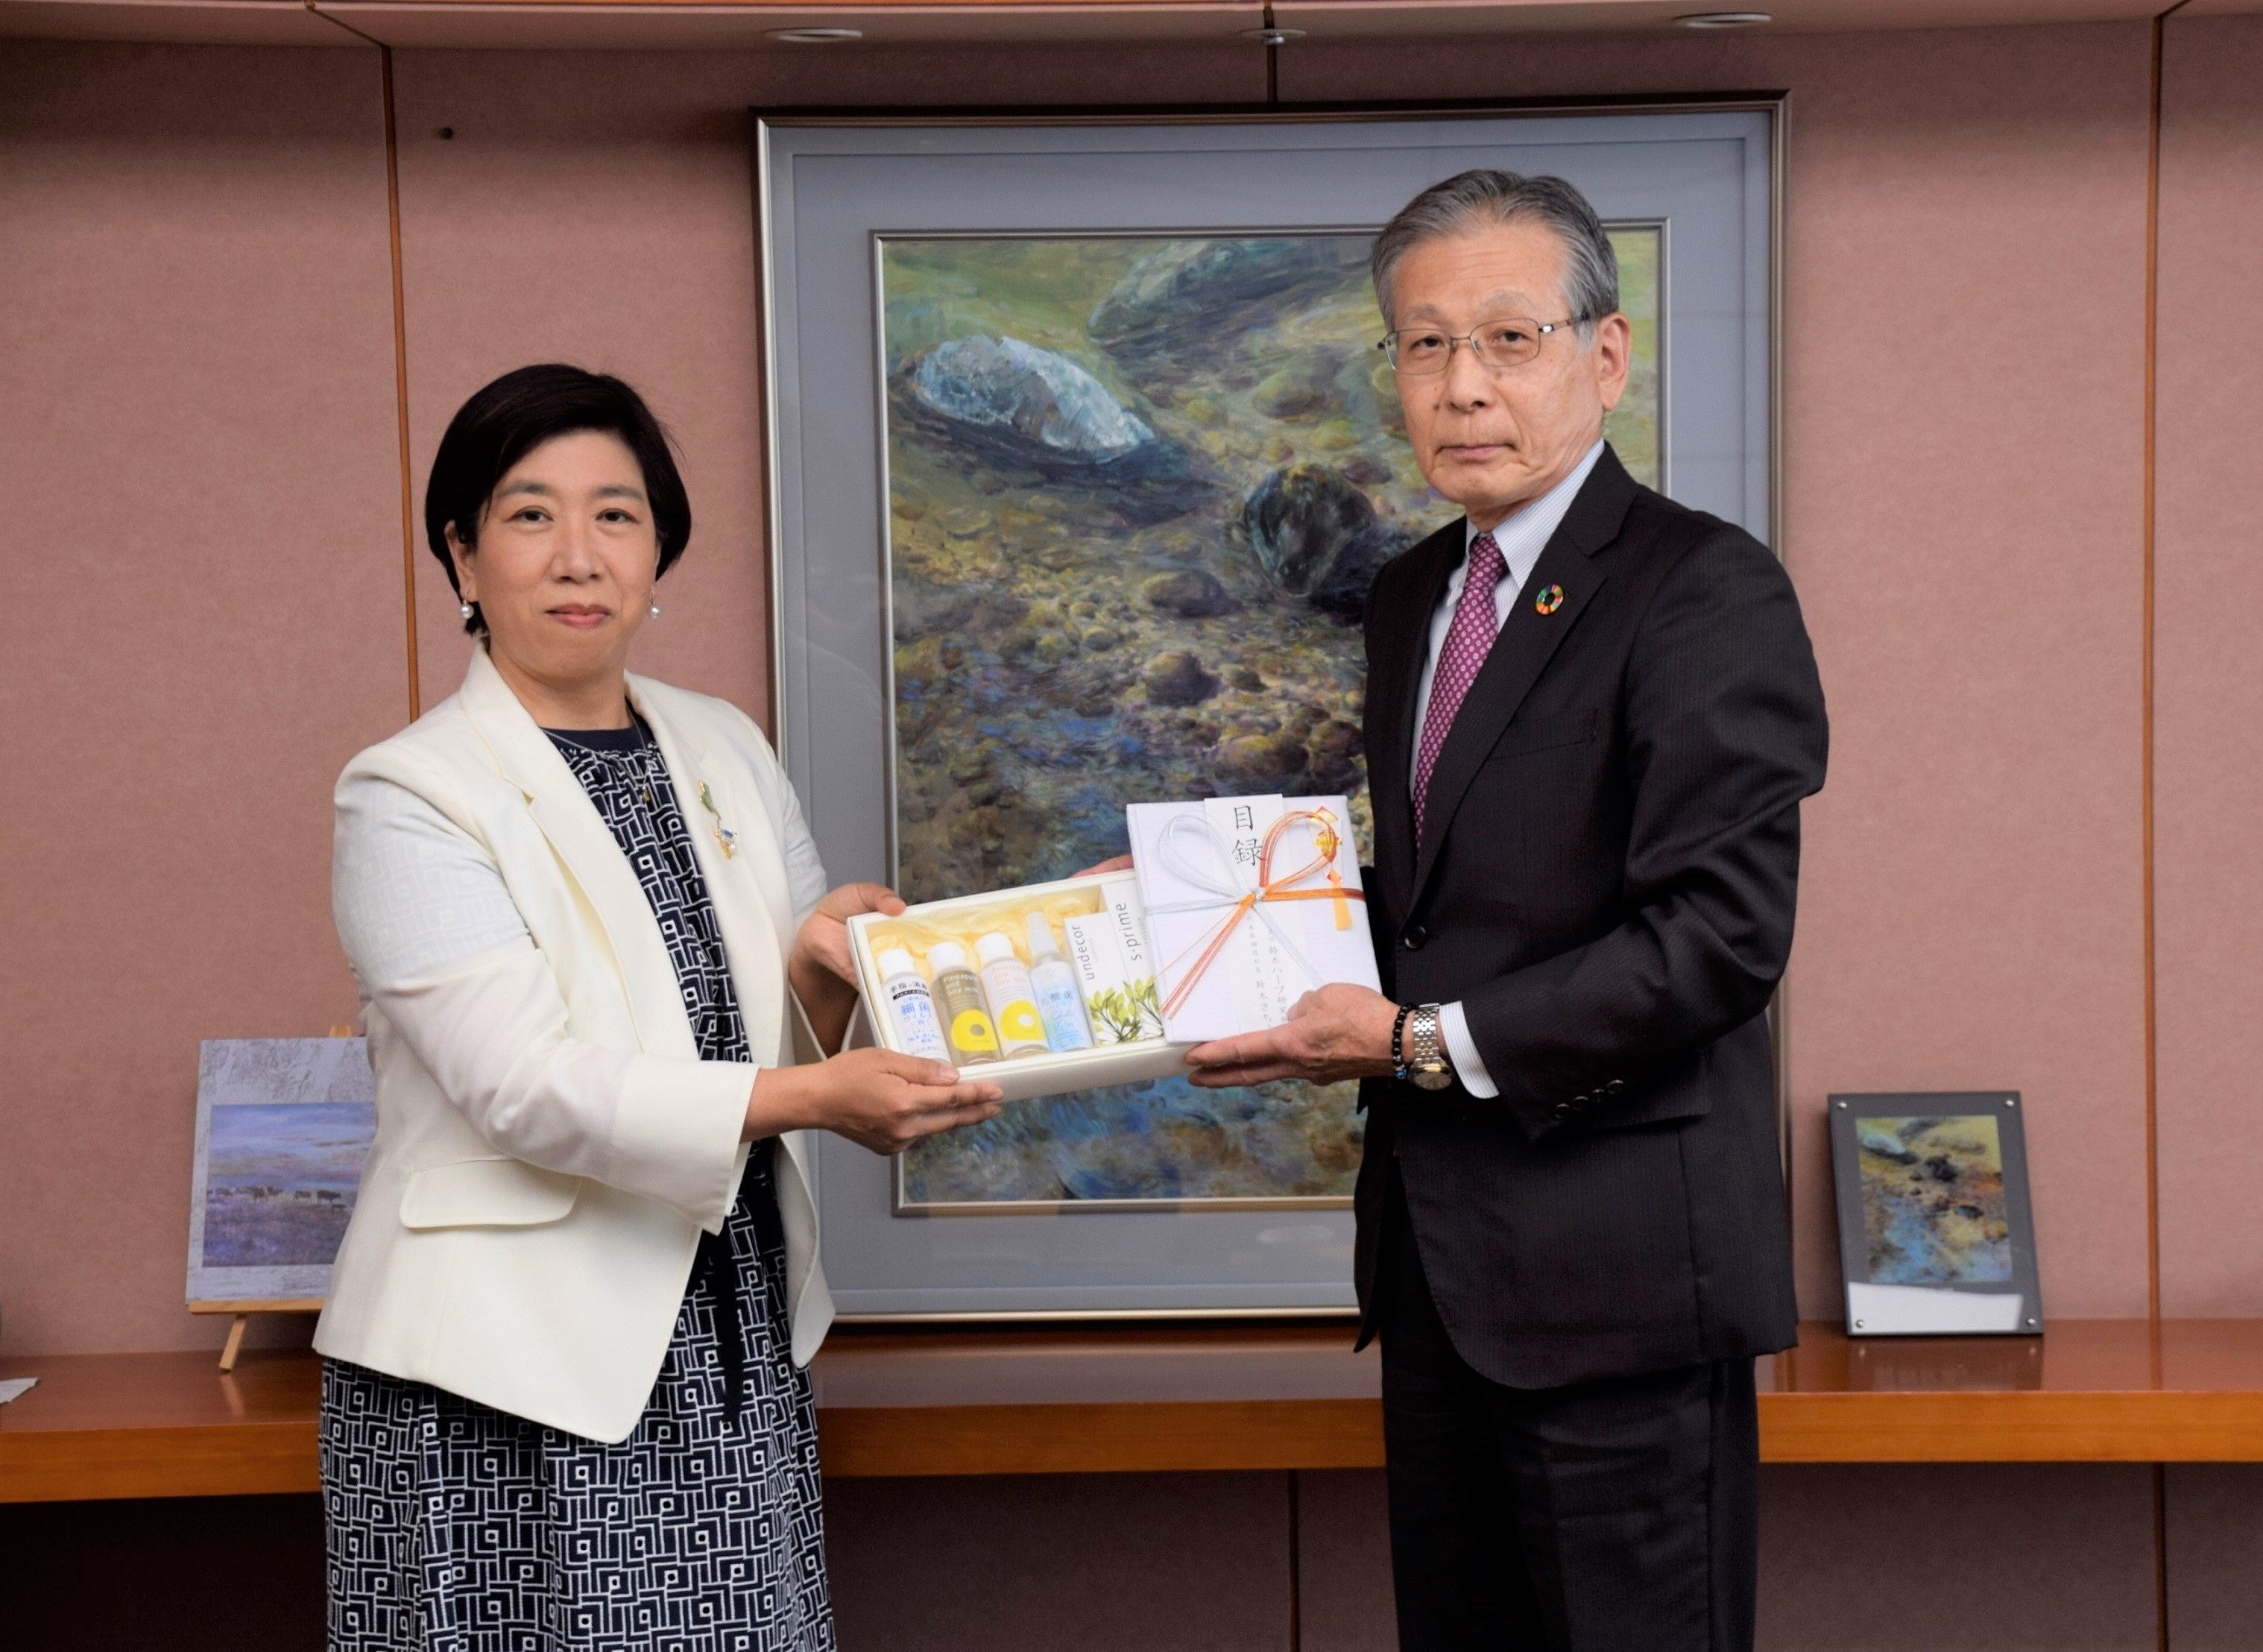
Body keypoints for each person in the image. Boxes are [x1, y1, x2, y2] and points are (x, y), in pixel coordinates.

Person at [1182, 172, 1829, 1650]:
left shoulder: (1704, 590)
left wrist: (1415, 1041)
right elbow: (1440, 898)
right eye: (1423, 347)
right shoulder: (1416, 592)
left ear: (1605, 359)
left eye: (1509, 339)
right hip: (1437, 1272)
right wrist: (1188, 913)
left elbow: (1721, 938)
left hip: (1620, 1286)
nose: (1462, 386)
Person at [315, 364, 1003, 1651]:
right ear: (460, 556)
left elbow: (766, 1036)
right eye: (529, 516)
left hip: (729, 1331)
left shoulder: (722, 740)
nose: (579, 554)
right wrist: (814, 1097)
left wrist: (827, 964)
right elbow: (525, 1086)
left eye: (617, 515)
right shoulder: (407, 793)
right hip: (501, 1373)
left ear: (658, 552)